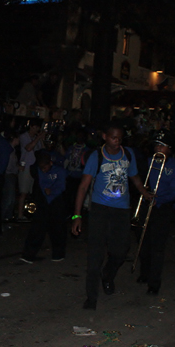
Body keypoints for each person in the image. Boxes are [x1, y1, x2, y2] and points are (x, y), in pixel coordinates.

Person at [71, 121, 146, 310]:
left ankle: (108, 275)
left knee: (120, 251)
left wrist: (142, 189)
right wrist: (76, 216)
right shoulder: (96, 156)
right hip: (99, 209)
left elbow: (134, 175)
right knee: (95, 254)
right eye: (113, 137)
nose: (116, 141)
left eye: (119, 138)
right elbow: (83, 187)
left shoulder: (128, 154)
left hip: (121, 210)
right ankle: (91, 297)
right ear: (105, 136)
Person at [136, 130, 175, 295]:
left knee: (157, 246)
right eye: (157, 145)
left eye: (162, 146)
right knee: (143, 242)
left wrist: (160, 199)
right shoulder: (148, 161)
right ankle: (144, 273)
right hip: (146, 204)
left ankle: (154, 283)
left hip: (162, 208)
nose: (158, 148)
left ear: (170, 149)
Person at [21, 151, 67, 263]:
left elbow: (62, 186)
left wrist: (52, 191)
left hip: (56, 201)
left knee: (57, 228)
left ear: (50, 163)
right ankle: (28, 255)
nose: (43, 170)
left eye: (45, 167)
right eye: (41, 167)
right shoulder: (38, 170)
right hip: (43, 201)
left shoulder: (60, 170)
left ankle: (58, 254)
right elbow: (40, 181)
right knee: (37, 227)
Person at [16, 120, 46, 221]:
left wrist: (41, 139)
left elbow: (43, 150)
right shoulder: (24, 136)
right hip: (25, 167)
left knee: (33, 193)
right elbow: (28, 148)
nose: (37, 130)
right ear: (32, 127)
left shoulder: (36, 139)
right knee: (23, 192)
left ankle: (30, 213)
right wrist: (38, 138)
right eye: (36, 127)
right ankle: (19, 215)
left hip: (35, 168)